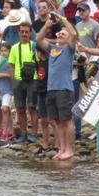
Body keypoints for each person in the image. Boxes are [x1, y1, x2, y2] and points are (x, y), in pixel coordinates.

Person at [36, 12, 78, 160]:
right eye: (59, 32)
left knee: (67, 120)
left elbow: (73, 34)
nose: (60, 34)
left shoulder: (69, 48)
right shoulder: (53, 48)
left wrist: (63, 20)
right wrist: (47, 26)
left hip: (64, 89)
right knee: (56, 120)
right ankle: (61, 148)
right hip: (51, 88)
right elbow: (39, 39)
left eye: (63, 33)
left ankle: (69, 149)